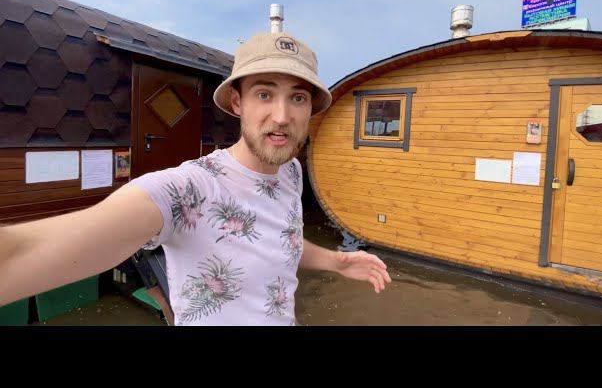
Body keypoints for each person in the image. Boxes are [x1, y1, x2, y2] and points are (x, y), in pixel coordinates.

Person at [0, 32, 391, 325]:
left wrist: (338, 261)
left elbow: (279, 240)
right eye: (264, 94)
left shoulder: (290, 171)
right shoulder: (189, 189)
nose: (282, 116)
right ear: (237, 102)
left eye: (298, 98)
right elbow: (25, 253)